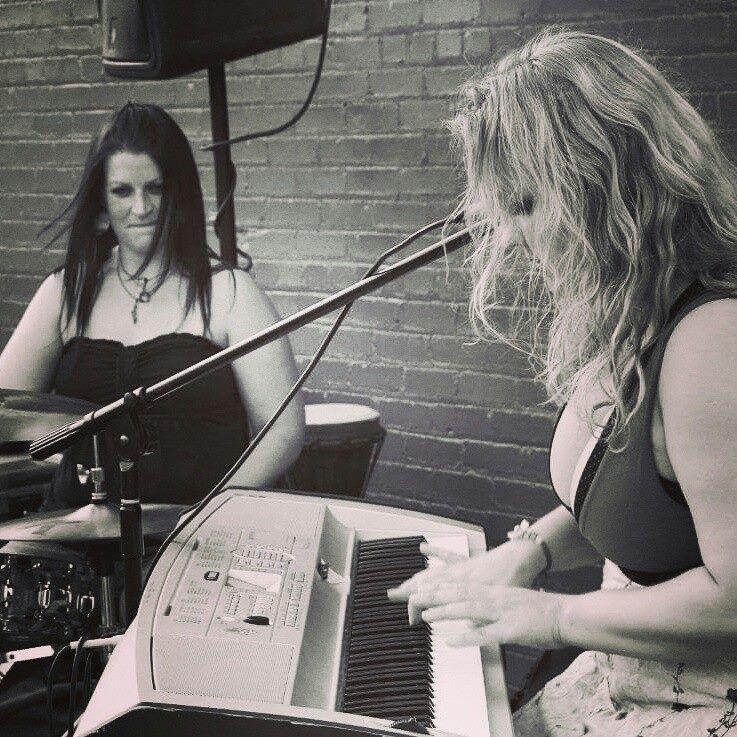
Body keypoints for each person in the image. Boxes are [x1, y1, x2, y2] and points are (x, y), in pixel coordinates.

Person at [388, 28, 737, 736]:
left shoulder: (711, 340)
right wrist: (532, 552)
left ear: (607, 183)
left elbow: (733, 597)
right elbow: (646, 508)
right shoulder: (635, 311)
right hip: (628, 678)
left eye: (524, 203)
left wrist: (551, 616)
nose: (509, 237)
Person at [0, 102, 305, 509]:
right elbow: (8, 414)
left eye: (155, 188)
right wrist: (65, 459)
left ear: (178, 193)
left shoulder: (231, 293)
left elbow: (283, 432)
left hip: (194, 531)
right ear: (101, 203)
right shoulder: (65, 291)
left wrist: (210, 510)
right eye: (122, 191)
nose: (141, 208)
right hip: (79, 534)